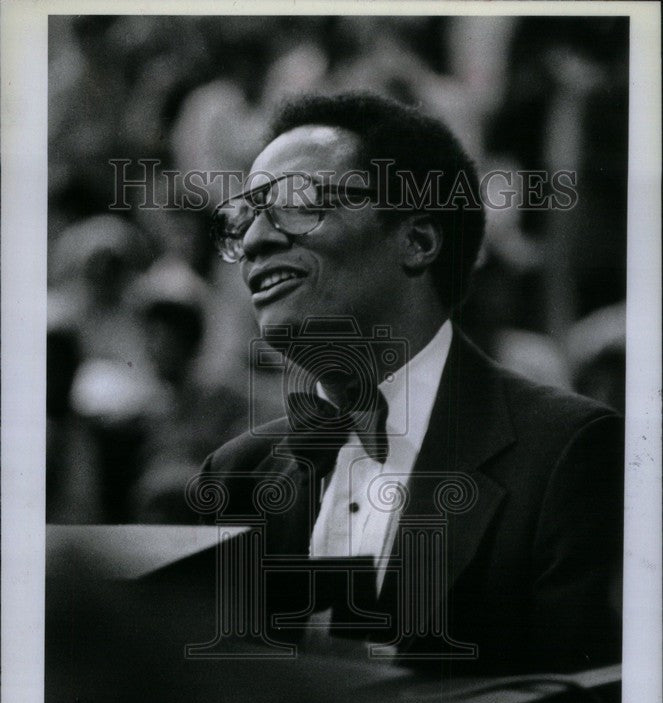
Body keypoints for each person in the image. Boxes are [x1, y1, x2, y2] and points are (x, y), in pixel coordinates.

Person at [198, 92, 623, 673]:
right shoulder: (235, 475)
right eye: (242, 219)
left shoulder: (569, 454)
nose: (252, 242)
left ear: (418, 240)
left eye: (296, 203)